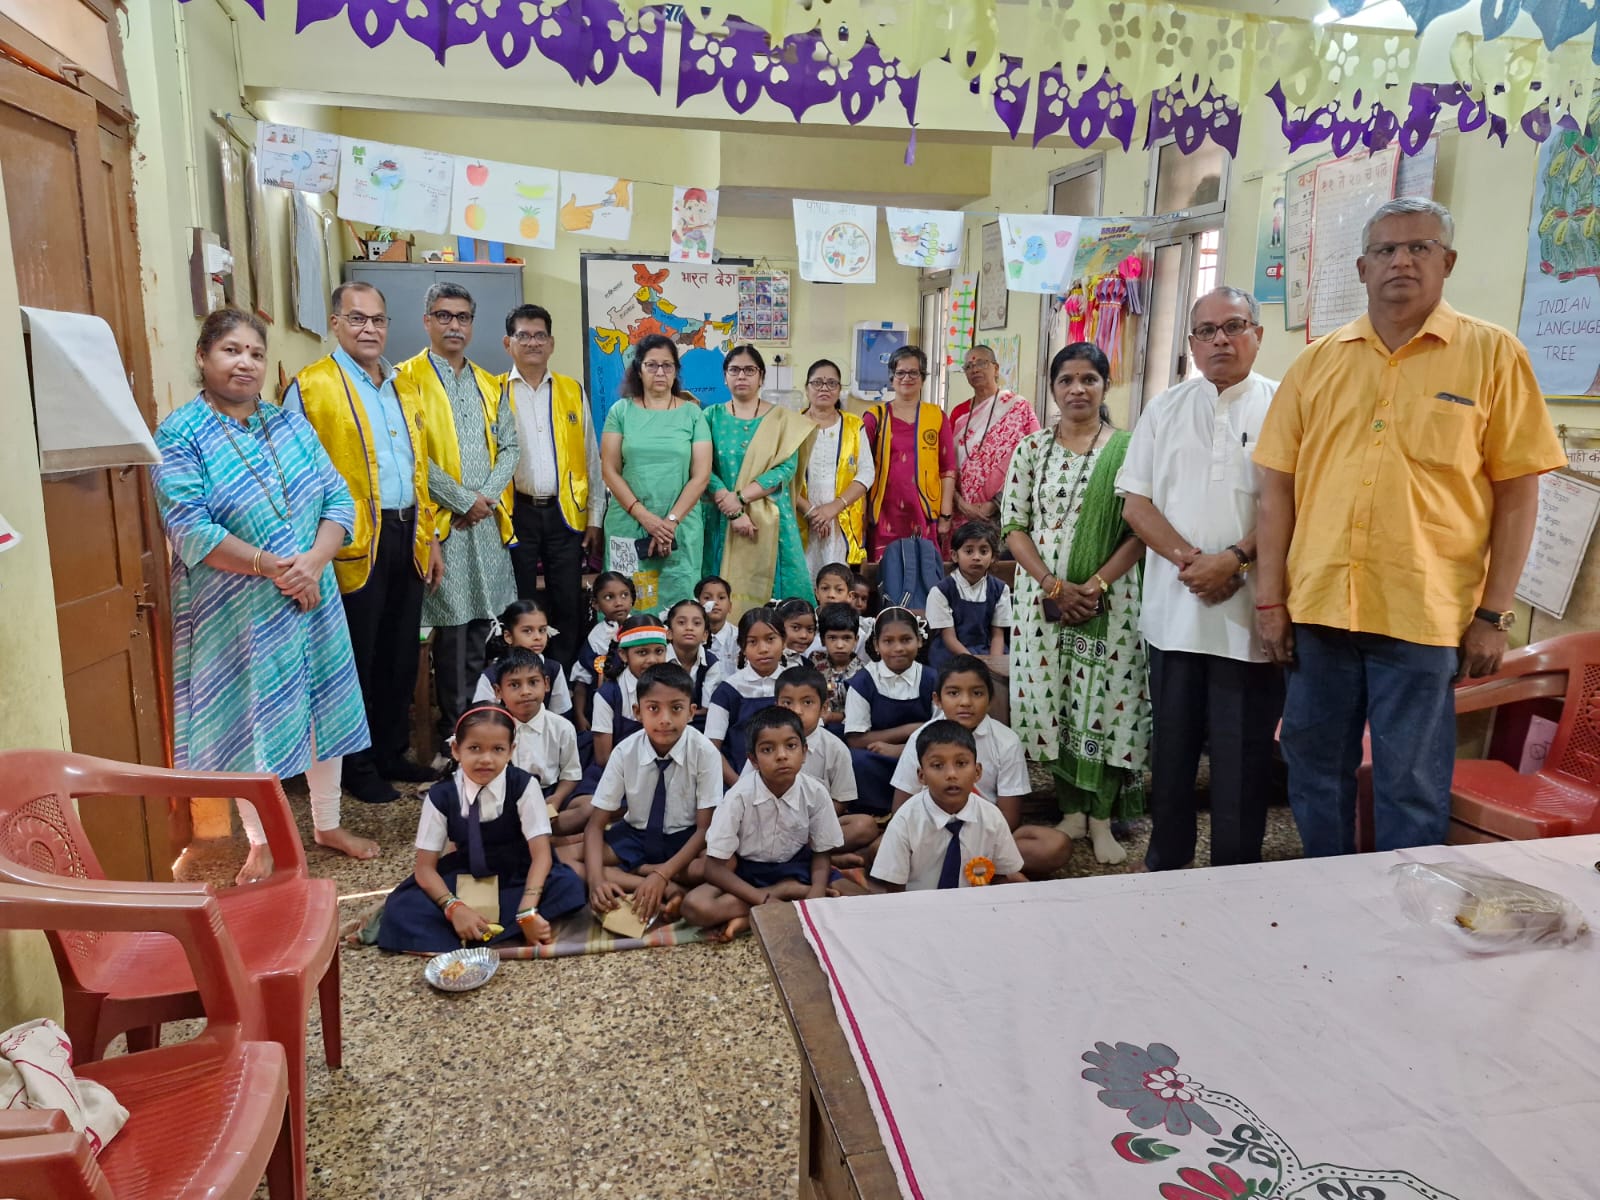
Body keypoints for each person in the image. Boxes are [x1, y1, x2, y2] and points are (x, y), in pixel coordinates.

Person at [1253, 197, 1565, 855]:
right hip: (1320, 609)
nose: (1402, 261)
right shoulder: (1317, 363)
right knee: (1314, 770)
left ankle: (1406, 909)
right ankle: (1325, 889)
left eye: (1420, 248)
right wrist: (1271, 601)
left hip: (1423, 615)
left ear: (1447, 262)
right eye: (1387, 250)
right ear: (1362, 268)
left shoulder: (1493, 356)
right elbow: (1276, 491)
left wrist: (1494, 614)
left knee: (1411, 783)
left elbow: (1518, 495)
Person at [154, 309, 377, 884]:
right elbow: (190, 528)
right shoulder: (180, 435)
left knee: (324, 709)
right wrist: (274, 568)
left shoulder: (289, 425)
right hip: (239, 609)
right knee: (250, 721)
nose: (245, 363)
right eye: (231, 350)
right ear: (203, 356)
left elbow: (338, 500)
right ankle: (262, 842)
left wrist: (314, 563)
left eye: (255, 353)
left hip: (312, 597)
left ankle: (327, 824)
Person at [1118, 287, 1284, 872]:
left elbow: (1296, 504)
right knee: (1172, 755)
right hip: (1174, 619)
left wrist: (1234, 560)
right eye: (1206, 331)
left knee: (1243, 760)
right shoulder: (1164, 408)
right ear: (1191, 343)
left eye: (1234, 326)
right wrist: (1194, 562)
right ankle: (1167, 864)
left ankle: (1235, 874)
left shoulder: (1285, 405)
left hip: (1252, 620)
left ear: (1257, 334)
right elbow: (1135, 503)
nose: (1220, 340)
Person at [283, 281, 441, 802]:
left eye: (378, 319)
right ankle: (357, 767)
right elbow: (293, 478)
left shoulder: (403, 386)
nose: (369, 329)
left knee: (399, 654)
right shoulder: (311, 387)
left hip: (407, 533)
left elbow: (418, 471)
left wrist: (431, 538)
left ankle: (392, 752)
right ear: (335, 324)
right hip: (347, 542)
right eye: (357, 318)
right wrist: (309, 555)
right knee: (354, 659)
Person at [1002, 342, 1149, 866]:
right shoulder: (1030, 449)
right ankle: (1070, 810)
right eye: (1066, 379)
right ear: (1053, 388)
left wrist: (1097, 585)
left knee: (1107, 700)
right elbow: (1014, 525)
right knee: (1057, 699)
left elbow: (1140, 527)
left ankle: (1102, 816)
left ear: (1106, 385)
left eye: (1089, 379)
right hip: (1042, 599)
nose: (1077, 389)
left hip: (1112, 599)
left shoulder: (1130, 449)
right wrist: (1053, 585)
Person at [400, 282, 520, 751]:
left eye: (463, 317)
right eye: (444, 315)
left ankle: (486, 727)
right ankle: (458, 735)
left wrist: (483, 498)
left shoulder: (490, 383)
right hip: (441, 528)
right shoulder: (404, 380)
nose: (454, 325)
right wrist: (460, 499)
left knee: (483, 629)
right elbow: (410, 453)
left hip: (485, 525)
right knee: (450, 632)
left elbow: (510, 447)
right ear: (426, 320)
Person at [376, 706, 586, 953]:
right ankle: (485, 928)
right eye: (475, 748)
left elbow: (541, 856)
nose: (486, 759)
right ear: (456, 750)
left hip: (517, 873)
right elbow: (424, 869)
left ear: (511, 751)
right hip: (465, 872)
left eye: (498, 749)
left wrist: (527, 910)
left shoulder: (523, 786)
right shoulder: (441, 795)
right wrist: (454, 908)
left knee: (567, 886)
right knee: (401, 908)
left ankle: (480, 932)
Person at [889, 656, 1071, 877]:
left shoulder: (1006, 741)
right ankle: (982, 872)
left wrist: (973, 842)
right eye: (953, 693)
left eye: (976, 693)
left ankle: (972, 866)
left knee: (1054, 845)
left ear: (990, 699)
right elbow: (901, 809)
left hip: (986, 835)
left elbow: (1010, 816)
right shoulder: (920, 738)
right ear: (937, 700)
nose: (965, 702)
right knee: (882, 849)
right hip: (931, 836)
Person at [682, 706, 845, 942]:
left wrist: (816, 895)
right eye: (768, 749)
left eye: (791, 746)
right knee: (695, 907)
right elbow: (713, 868)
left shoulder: (816, 793)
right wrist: (764, 899)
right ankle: (785, 893)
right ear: (754, 760)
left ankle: (753, 914)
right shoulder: (738, 797)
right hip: (746, 873)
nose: (781, 756)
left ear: (804, 752)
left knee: (851, 896)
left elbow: (821, 853)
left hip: (797, 865)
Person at [502, 304, 605, 671]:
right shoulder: (495, 391)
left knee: (567, 600)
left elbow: (590, 455)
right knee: (519, 600)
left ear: (551, 342)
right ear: (508, 343)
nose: (533, 342)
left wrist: (595, 517)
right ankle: (523, 673)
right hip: (516, 512)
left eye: (540, 335)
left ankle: (563, 677)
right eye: (524, 335)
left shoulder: (571, 390)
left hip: (565, 514)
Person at [581, 663, 721, 924]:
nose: (665, 719)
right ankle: (663, 885)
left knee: (715, 866)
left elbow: (704, 830)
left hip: (684, 839)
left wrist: (662, 873)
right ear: (638, 712)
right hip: (635, 836)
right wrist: (596, 881)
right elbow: (595, 826)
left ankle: (643, 873)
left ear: (691, 712)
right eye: (653, 708)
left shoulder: (705, 752)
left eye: (676, 708)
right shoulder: (624, 752)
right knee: (566, 859)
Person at [600, 333, 713, 612]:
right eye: (651, 365)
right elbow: (610, 470)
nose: (660, 372)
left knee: (680, 608)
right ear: (639, 370)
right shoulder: (621, 411)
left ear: (676, 371)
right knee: (625, 604)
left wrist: (669, 523)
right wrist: (646, 518)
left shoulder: (693, 414)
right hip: (628, 522)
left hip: (681, 526)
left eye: (667, 365)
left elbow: (701, 476)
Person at [705, 345, 817, 614]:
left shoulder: (782, 420)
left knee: (782, 606)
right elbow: (702, 468)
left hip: (773, 518)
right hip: (722, 518)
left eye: (749, 370)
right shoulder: (709, 417)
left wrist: (740, 499)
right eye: (734, 370)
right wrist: (732, 510)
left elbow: (785, 469)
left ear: (761, 377)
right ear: (725, 377)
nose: (741, 376)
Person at [870, 721, 1027, 892]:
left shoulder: (992, 817)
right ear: (922, 776)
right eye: (938, 765)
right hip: (918, 905)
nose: (951, 774)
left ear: (977, 772)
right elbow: (895, 890)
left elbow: (1001, 876)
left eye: (961, 763)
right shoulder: (905, 821)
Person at [862, 346, 956, 559]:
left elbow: (947, 469)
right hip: (883, 512)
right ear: (892, 378)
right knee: (885, 571)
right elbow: (861, 470)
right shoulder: (875, 417)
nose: (907, 378)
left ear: (922, 378)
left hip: (925, 512)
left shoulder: (936, 416)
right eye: (901, 372)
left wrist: (946, 515)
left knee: (924, 570)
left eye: (913, 372)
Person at [771, 665, 875, 854]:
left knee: (864, 826)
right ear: (776, 706)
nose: (797, 711)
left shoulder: (835, 748)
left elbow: (841, 799)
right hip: (771, 823)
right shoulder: (765, 743)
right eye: (787, 703)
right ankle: (824, 858)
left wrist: (809, 823)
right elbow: (749, 788)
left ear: (824, 708)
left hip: (815, 825)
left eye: (807, 702)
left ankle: (809, 855)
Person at [843, 607, 936, 816]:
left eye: (906, 640)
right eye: (888, 641)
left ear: (919, 641)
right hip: (879, 758)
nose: (898, 648)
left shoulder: (933, 679)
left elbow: (941, 731)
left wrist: (902, 749)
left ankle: (921, 810)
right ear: (876, 645)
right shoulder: (863, 681)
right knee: (855, 759)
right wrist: (911, 729)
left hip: (922, 755)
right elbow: (856, 740)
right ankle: (876, 813)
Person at [491, 648, 588, 837]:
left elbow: (571, 774)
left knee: (588, 807)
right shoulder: (494, 730)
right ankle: (543, 839)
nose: (526, 692)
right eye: (514, 685)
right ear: (498, 691)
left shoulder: (562, 727)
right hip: (507, 797)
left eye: (533, 682)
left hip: (549, 795)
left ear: (546, 684)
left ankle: (535, 837)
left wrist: (557, 798)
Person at [797, 358, 875, 576]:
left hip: (841, 518)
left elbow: (867, 472)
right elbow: (782, 476)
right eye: (817, 383)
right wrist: (811, 512)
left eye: (831, 383)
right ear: (806, 388)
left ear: (839, 390)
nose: (824, 388)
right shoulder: (792, 424)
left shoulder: (854, 425)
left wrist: (833, 508)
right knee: (803, 578)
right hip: (800, 515)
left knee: (836, 579)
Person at [950, 344, 1041, 523]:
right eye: (968, 366)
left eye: (981, 363)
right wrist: (960, 503)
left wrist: (995, 503)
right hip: (964, 512)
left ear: (996, 368)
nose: (974, 369)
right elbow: (946, 465)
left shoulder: (1019, 407)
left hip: (1007, 509)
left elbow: (1035, 457)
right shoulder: (958, 413)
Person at [705, 606, 789, 781]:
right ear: (742, 648)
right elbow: (711, 748)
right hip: (738, 780)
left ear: (784, 641)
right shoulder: (728, 690)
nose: (763, 649)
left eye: (770, 639)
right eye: (753, 642)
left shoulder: (795, 684)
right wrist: (739, 786)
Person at [926, 520, 1011, 674]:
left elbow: (997, 635)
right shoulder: (941, 591)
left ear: (993, 557)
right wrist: (974, 664)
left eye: (983, 552)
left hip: (988, 652)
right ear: (954, 555)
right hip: (952, 654)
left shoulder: (1000, 590)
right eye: (969, 551)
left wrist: (994, 663)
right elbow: (949, 637)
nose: (976, 557)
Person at [473, 598, 574, 718]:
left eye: (542, 630)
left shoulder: (553, 669)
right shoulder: (491, 675)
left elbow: (560, 714)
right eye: (527, 631)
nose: (537, 637)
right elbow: (482, 718)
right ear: (508, 636)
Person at [569, 571, 637, 727]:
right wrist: (579, 715)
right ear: (595, 604)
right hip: (603, 710)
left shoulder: (642, 628)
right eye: (608, 597)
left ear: (632, 598)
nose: (618, 602)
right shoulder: (595, 638)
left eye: (624, 595)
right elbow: (582, 681)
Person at [664, 597, 728, 728]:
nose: (689, 628)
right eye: (681, 622)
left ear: (705, 635)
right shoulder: (660, 659)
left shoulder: (711, 663)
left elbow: (706, 709)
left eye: (697, 623)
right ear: (669, 633)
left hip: (699, 723)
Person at [812, 602, 865, 731]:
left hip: (848, 730)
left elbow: (862, 712)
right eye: (832, 638)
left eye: (846, 638)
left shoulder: (862, 672)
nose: (840, 645)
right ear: (823, 640)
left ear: (856, 640)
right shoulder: (814, 661)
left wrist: (833, 717)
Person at [697, 574, 737, 665]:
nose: (715, 602)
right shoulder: (691, 635)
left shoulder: (739, 638)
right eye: (707, 598)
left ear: (730, 606)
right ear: (697, 605)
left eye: (721, 597)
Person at [777, 597, 818, 662]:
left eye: (810, 629)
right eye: (795, 628)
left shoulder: (809, 664)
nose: (804, 636)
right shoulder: (768, 664)